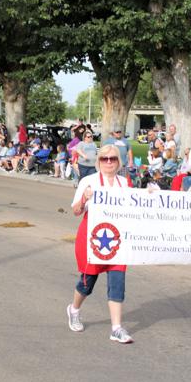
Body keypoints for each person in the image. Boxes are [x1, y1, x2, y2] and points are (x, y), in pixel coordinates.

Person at [67, 144, 133, 344]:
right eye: (105, 159)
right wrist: (84, 199)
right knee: (87, 283)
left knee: (117, 282)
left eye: (113, 159)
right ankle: (74, 309)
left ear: (118, 162)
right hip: (93, 239)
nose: (109, 162)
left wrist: (150, 195)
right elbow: (76, 211)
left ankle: (116, 328)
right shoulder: (89, 181)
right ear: (99, 162)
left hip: (117, 240)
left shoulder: (124, 182)